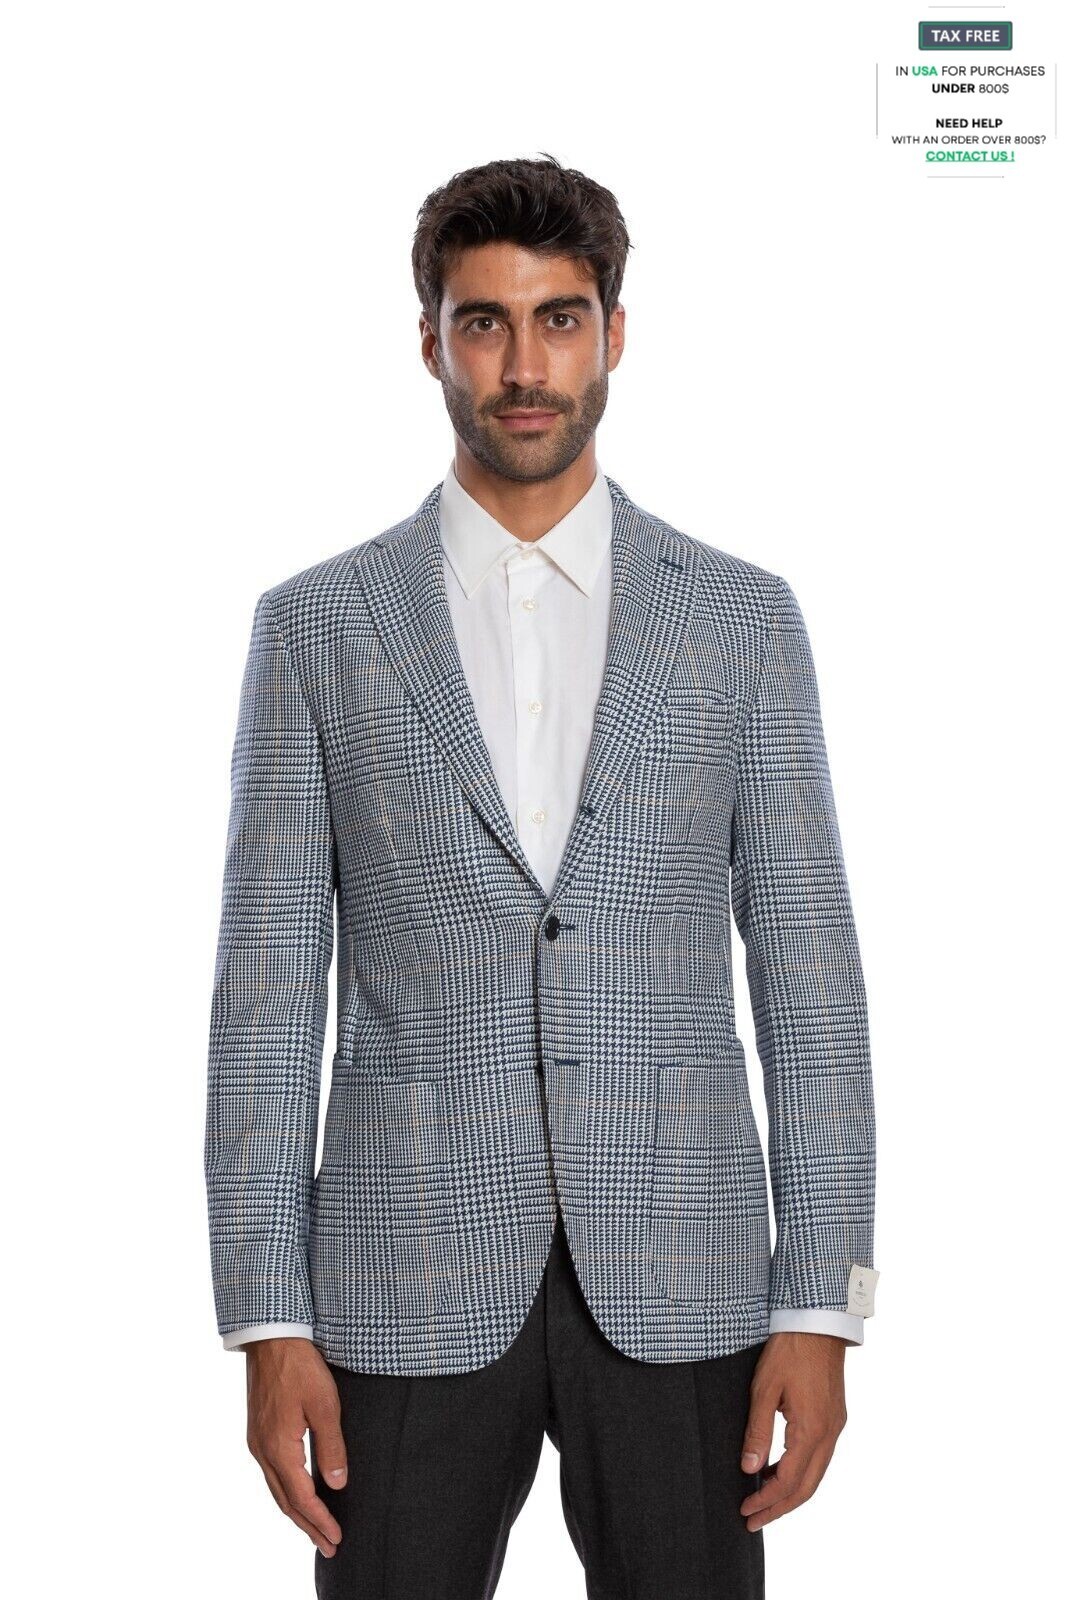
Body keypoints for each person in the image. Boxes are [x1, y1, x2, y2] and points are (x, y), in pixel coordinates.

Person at [204, 153, 878, 1600]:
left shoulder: (743, 621)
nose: (525, 367)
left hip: (689, 1275)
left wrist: (824, 1299)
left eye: (560, 320)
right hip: (400, 1278)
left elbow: (810, 980)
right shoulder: (316, 626)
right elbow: (266, 996)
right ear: (430, 341)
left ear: (614, 332)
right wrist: (266, 1319)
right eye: (486, 322)